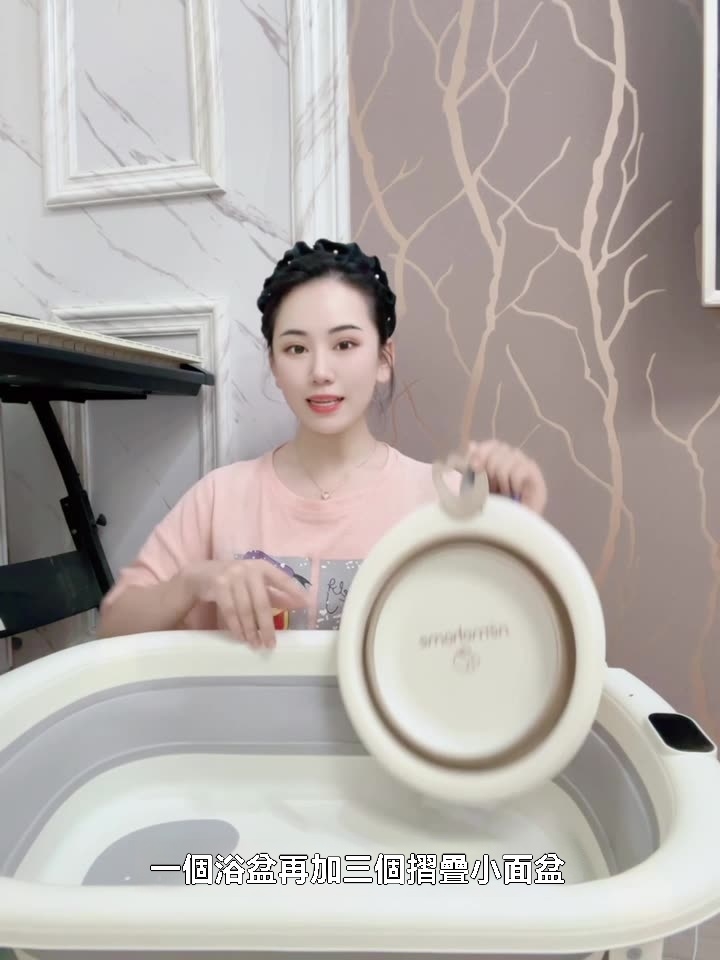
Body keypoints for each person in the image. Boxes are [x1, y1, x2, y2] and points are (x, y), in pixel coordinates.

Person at [96, 239, 547, 649]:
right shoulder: (220, 497)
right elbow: (112, 627)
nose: (320, 372)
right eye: (296, 349)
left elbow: (508, 640)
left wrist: (518, 520)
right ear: (274, 365)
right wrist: (193, 583)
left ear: (384, 358)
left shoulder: (444, 497)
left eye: (345, 344)